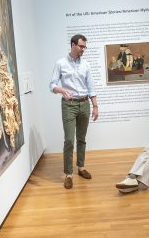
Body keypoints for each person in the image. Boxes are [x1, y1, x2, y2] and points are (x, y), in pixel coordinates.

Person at [49, 34, 98, 189]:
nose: (83, 49)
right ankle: (68, 174)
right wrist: (61, 89)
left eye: (84, 47)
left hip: (84, 104)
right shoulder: (60, 63)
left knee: (81, 139)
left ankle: (81, 167)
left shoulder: (86, 65)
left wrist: (95, 106)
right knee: (69, 140)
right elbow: (52, 84)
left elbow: (91, 87)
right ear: (73, 45)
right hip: (69, 105)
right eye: (81, 46)